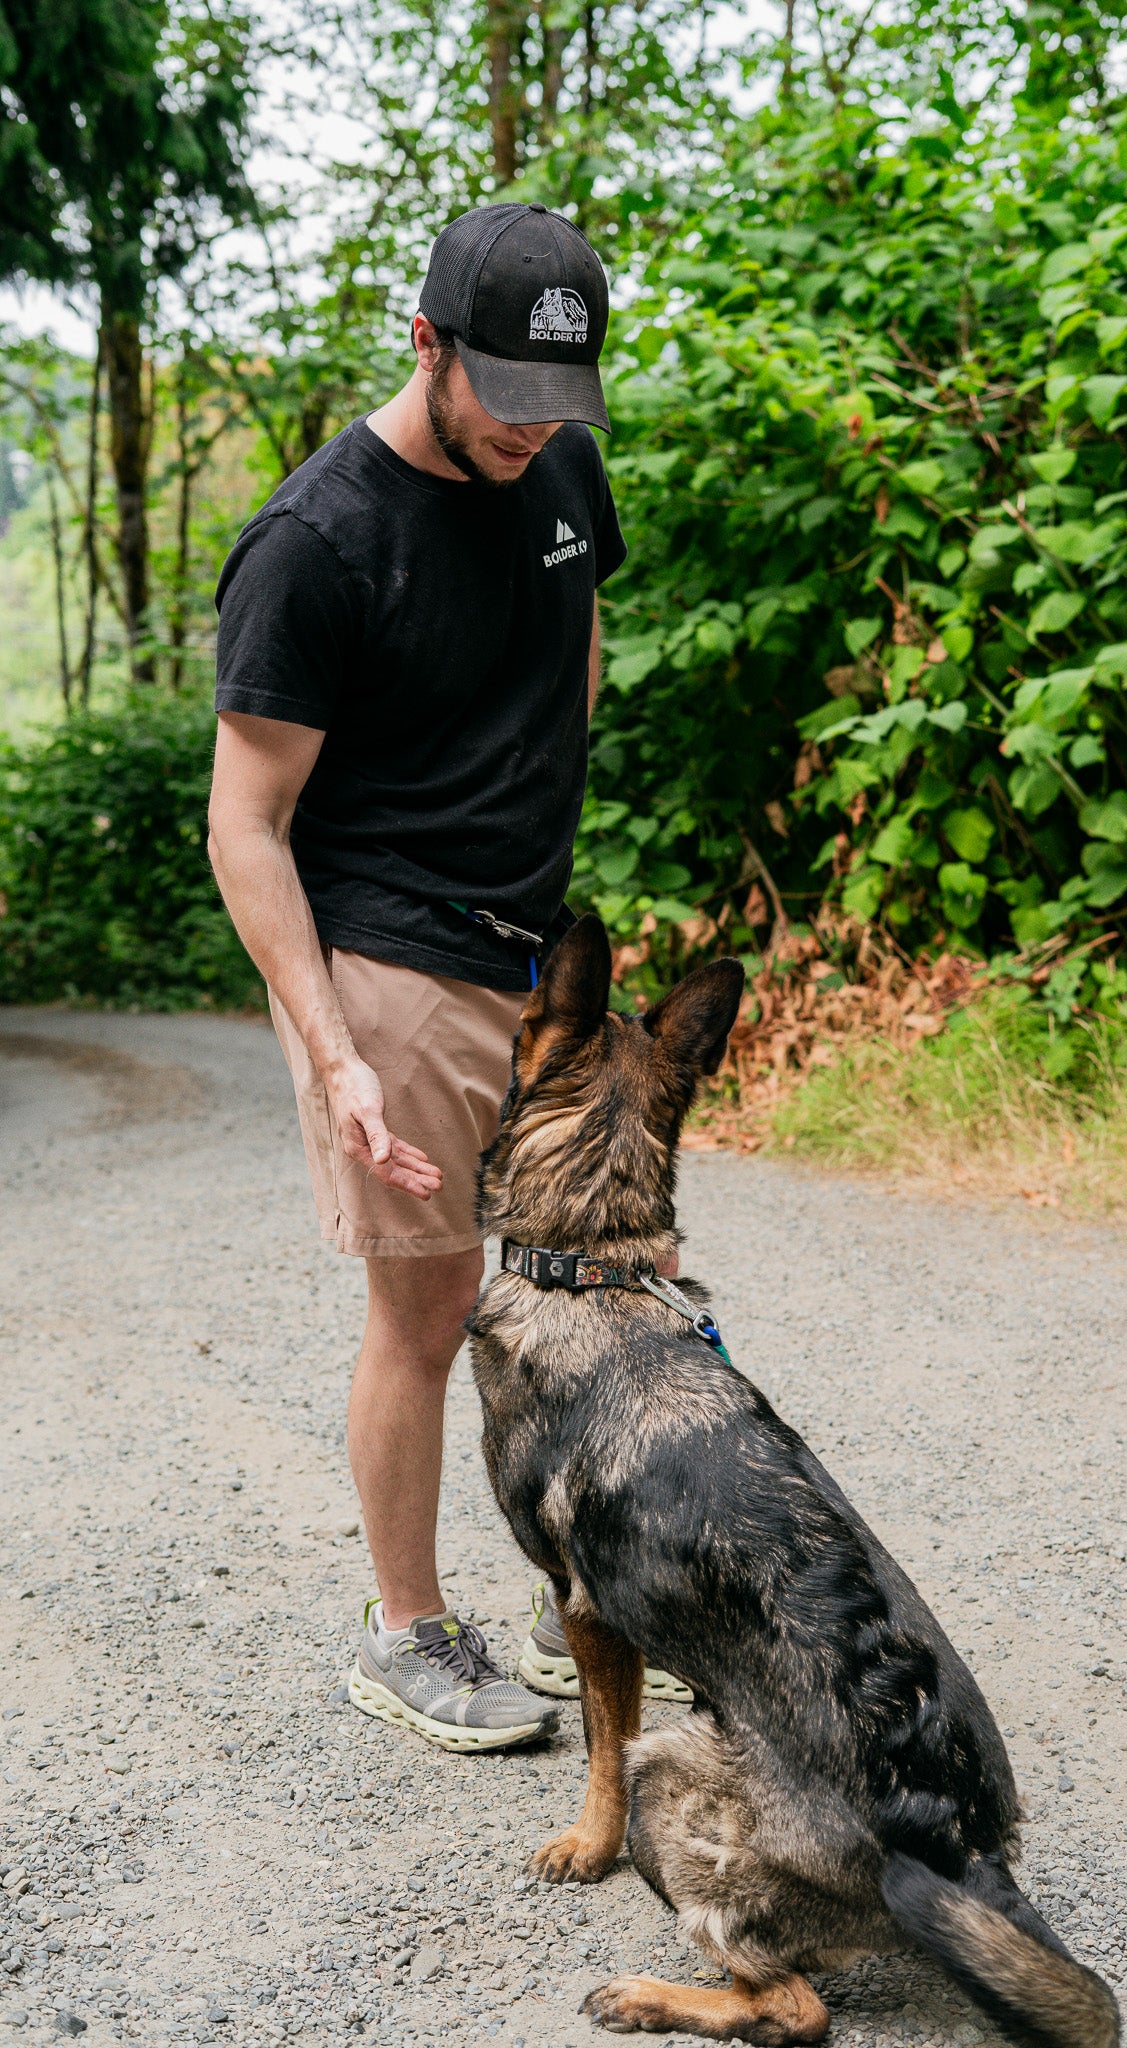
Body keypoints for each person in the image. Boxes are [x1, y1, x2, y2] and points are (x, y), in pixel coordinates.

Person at [207, 201, 631, 1753]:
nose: (535, 432)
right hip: (384, 952)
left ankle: (565, 1582)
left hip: (533, 951)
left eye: (559, 403)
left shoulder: (562, 462)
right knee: (431, 1300)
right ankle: (404, 1631)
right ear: (427, 344)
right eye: (505, 398)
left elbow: (570, 636)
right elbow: (243, 826)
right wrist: (334, 1051)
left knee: (579, 1271)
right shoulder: (319, 541)